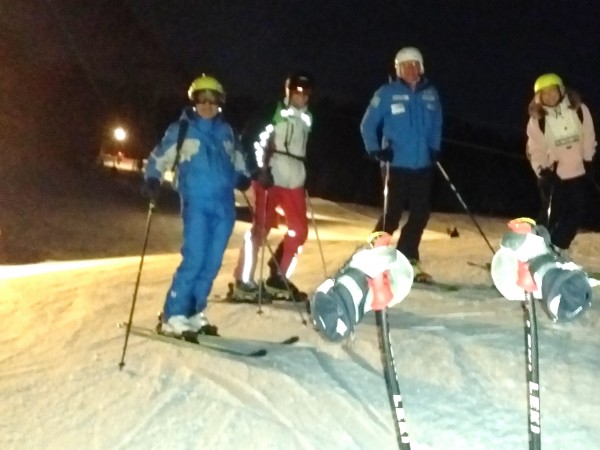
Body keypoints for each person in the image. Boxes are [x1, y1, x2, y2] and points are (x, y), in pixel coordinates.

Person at [143, 75, 251, 336]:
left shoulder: (227, 132)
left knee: (212, 262)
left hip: (225, 206)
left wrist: (245, 175)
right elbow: (159, 157)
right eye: (201, 100)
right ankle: (173, 314)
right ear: (193, 102)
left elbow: (238, 160)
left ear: (220, 103)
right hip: (197, 202)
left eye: (212, 100)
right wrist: (152, 179)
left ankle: (193, 310)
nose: (207, 105)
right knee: (194, 258)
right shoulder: (181, 130)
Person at [360, 47, 443, 282]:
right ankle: (375, 259)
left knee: (420, 213)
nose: (411, 69)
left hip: (423, 165)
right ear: (398, 69)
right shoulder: (387, 93)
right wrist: (375, 149)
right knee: (392, 215)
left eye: (415, 64)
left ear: (421, 67)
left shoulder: (431, 93)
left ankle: (407, 259)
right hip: (395, 164)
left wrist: (434, 147)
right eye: (405, 65)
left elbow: (437, 122)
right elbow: (367, 124)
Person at [232, 71, 314, 301]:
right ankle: (243, 279)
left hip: (295, 180)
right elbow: (251, 138)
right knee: (261, 228)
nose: (302, 96)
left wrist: (309, 173)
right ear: (288, 91)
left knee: (299, 230)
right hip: (271, 177)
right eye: (297, 91)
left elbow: (306, 149)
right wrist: (258, 170)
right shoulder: (274, 111)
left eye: (306, 93)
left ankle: (278, 276)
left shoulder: (307, 118)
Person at [526, 73, 596, 255]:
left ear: (561, 90)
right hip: (553, 173)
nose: (550, 96)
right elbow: (535, 148)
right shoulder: (537, 120)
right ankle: (534, 250)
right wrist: (541, 170)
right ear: (538, 97)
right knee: (550, 214)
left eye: (553, 91)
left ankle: (557, 247)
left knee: (576, 212)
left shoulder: (579, 109)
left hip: (578, 171)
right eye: (544, 93)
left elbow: (588, 136)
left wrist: (588, 160)